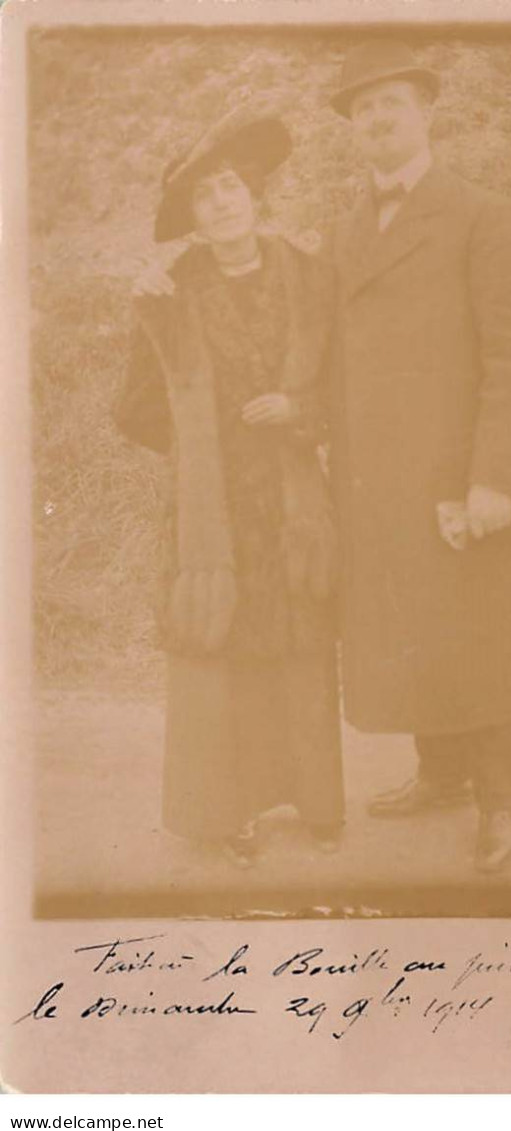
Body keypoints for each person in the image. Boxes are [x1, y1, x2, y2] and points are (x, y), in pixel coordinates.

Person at [326, 40, 511, 871]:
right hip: (377, 476)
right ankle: (442, 771)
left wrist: (496, 476)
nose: (377, 120)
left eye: (391, 102)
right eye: (362, 109)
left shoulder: (479, 213)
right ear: (353, 129)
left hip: (458, 471)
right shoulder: (348, 226)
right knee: (412, 624)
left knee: (478, 633)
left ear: (425, 113)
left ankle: (500, 800)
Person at [114, 110, 345, 865]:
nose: (222, 202)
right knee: (225, 648)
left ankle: (314, 800)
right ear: (193, 217)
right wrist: (197, 431)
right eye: (205, 195)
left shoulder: (312, 277)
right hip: (213, 506)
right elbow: (133, 407)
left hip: (291, 497)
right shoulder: (170, 291)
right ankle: (229, 810)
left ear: (255, 193)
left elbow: (350, 389)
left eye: (232, 186)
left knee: (303, 643)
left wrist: (300, 412)